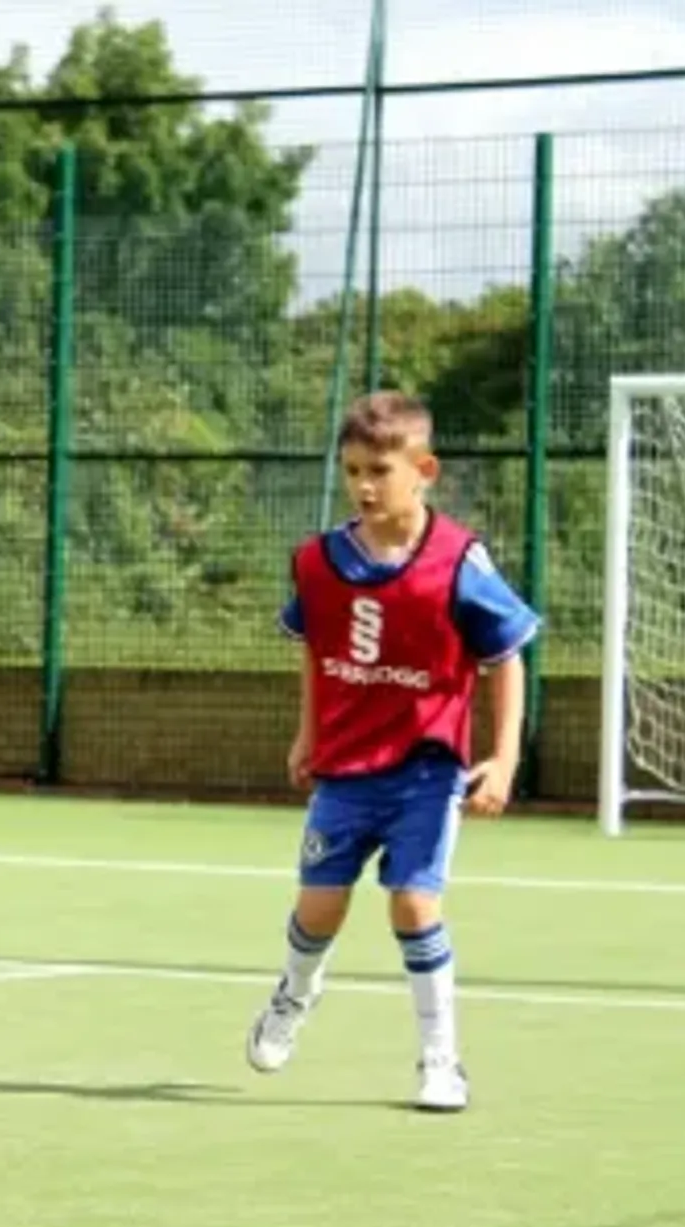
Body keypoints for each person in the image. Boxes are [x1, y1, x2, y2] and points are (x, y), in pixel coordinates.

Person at [246, 391, 539, 1113]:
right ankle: (294, 994)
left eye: (379, 468)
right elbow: (317, 647)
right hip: (346, 769)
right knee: (318, 907)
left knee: (412, 903)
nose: (364, 485)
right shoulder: (319, 562)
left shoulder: (459, 561)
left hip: (426, 770)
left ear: (424, 469)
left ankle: (442, 1060)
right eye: (352, 470)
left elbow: (506, 657)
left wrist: (501, 759)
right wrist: (308, 733)